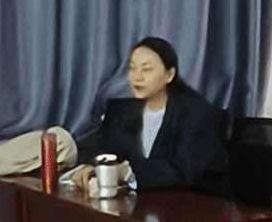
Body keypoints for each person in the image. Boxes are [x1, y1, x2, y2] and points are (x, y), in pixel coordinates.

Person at [71, 36, 229, 197]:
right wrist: (90, 165)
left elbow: (186, 173)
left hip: (189, 207)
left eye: (146, 69)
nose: (137, 77)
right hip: (135, 206)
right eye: (132, 68)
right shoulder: (119, 112)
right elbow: (97, 147)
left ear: (169, 75)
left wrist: (127, 173)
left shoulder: (197, 115)